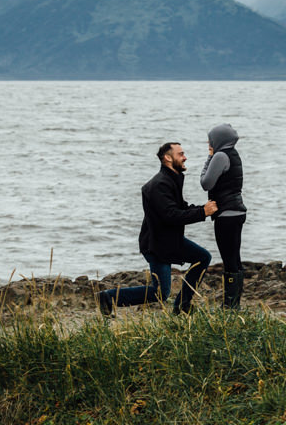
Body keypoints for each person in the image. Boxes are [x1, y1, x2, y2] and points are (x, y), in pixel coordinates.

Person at [98, 142, 218, 317]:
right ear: (168, 158)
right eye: (180, 154)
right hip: (157, 245)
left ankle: (182, 306)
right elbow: (171, 215)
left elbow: (181, 208)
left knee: (202, 257)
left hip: (170, 241)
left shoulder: (172, 179)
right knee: (160, 293)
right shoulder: (159, 185)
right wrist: (202, 212)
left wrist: (204, 209)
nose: (185, 157)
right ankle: (107, 298)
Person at [200, 124, 247, 309]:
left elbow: (206, 183)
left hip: (226, 215)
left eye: (210, 139)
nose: (208, 143)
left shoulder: (220, 156)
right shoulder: (233, 154)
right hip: (237, 212)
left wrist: (209, 158)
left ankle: (230, 306)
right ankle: (234, 304)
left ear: (218, 140)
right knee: (234, 258)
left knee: (229, 260)